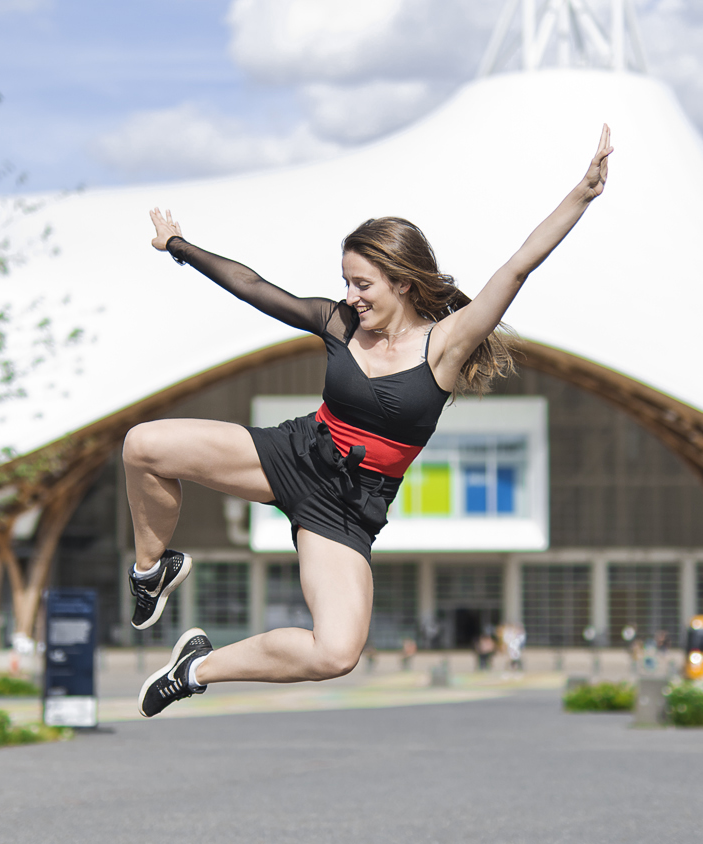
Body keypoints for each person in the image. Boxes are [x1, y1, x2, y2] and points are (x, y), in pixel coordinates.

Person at [128, 125, 614, 717]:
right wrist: (180, 246)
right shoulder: (339, 324)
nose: (351, 296)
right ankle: (150, 571)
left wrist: (580, 197)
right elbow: (255, 288)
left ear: (402, 283)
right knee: (144, 445)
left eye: (362, 284)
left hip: (348, 504)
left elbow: (516, 268)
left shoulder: (445, 345)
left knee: (336, 652)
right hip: (296, 452)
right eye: (345, 282)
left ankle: (197, 668)